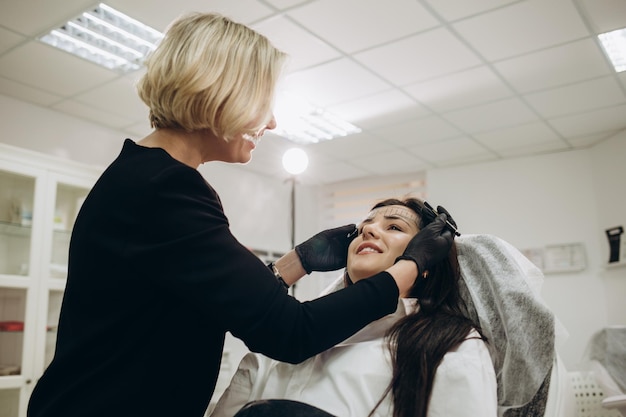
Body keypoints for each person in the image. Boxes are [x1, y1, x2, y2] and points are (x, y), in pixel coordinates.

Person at [26, 13, 455, 417]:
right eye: (262, 103)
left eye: (395, 226)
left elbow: (213, 299)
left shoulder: (148, 178)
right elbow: (291, 332)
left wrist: (295, 264)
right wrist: (410, 267)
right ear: (219, 95)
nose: (270, 122)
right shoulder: (163, 191)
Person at [211, 197, 498, 417]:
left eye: (394, 227)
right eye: (364, 227)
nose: (369, 230)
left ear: (426, 260)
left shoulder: (453, 345)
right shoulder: (285, 336)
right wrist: (299, 260)